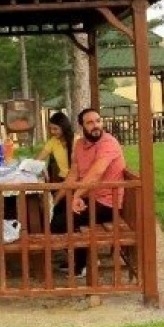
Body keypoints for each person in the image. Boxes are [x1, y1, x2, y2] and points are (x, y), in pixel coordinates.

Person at [49, 108, 127, 277]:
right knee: (56, 212)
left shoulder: (108, 143)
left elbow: (96, 173)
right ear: (81, 126)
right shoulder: (79, 145)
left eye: (98, 121)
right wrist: (56, 199)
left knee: (63, 220)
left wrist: (76, 196)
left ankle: (83, 263)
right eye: (90, 123)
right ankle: (82, 256)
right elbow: (73, 174)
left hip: (107, 203)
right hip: (88, 196)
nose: (95, 125)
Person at [36, 112, 75, 182]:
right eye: (50, 129)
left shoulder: (76, 140)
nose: (52, 132)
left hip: (77, 180)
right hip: (63, 180)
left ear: (64, 127)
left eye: (55, 129)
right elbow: (38, 159)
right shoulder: (52, 142)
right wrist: (43, 168)